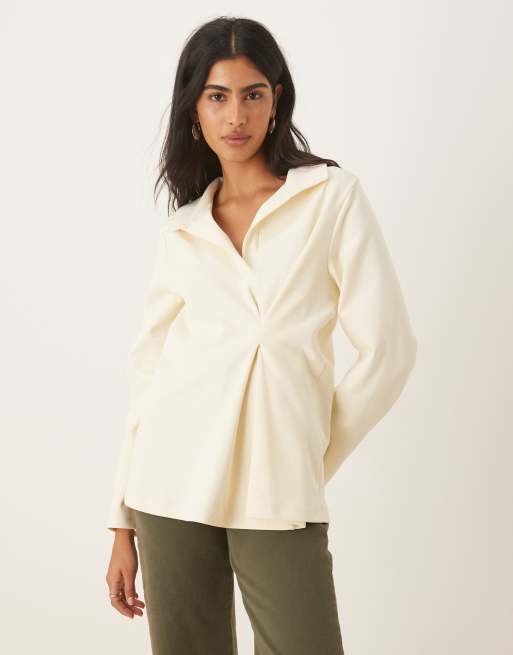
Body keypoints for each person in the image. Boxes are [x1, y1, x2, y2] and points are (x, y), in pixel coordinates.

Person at [105, 16, 417, 655]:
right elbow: (149, 377)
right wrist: (121, 522)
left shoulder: (329, 198)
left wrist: (310, 451)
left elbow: (390, 352)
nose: (236, 115)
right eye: (217, 96)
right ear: (194, 110)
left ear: (277, 101)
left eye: (252, 94)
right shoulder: (184, 229)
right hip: (168, 483)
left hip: (278, 487)